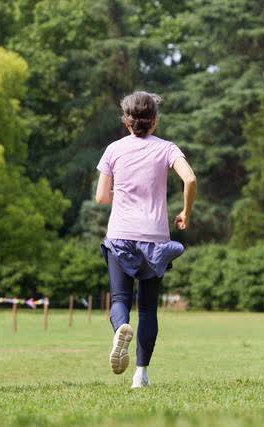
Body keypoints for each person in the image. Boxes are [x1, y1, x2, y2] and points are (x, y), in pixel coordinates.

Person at [94, 91, 197, 389]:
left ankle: (120, 329)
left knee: (120, 300)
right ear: (154, 120)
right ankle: (141, 375)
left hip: (120, 235)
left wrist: (122, 192)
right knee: (149, 308)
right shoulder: (167, 148)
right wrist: (185, 211)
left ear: (126, 121)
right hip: (155, 238)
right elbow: (190, 179)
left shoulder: (113, 150)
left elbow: (101, 197)